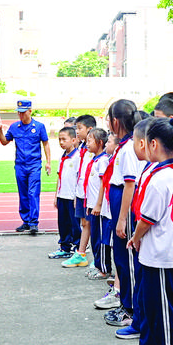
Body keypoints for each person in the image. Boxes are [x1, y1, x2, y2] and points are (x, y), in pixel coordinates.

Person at [120, 118, 173, 345]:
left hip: (161, 255)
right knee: (150, 305)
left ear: (154, 144)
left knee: (164, 311)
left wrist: (135, 237)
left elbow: (147, 219)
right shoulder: (156, 172)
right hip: (152, 254)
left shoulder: (163, 178)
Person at [99, 99, 145, 328]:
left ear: (115, 122)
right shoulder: (124, 146)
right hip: (118, 200)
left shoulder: (128, 149)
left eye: (109, 119)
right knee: (120, 259)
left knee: (127, 260)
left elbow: (130, 184)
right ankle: (127, 304)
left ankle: (132, 310)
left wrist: (123, 218)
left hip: (125, 204)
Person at [115, 117, 154, 340]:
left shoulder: (158, 173)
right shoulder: (149, 169)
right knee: (141, 279)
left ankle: (141, 324)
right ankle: (141, 324)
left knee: (142, 279)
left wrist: (134, 232)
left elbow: (149, 214)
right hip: (143, 231)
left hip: (152, 240)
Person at [0, 100, 51, 234]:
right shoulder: (14, 127)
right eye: (19, 113)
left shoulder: (39, 126)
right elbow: (4, 142)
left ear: (30, 111)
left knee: (33, 192)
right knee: (23, 193)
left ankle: (33, 222)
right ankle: (26, 221)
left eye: (23, 112)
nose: (20, 115)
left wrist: (48, 162)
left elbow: (46, 144)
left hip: (34, 165)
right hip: (20, 165)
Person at [62, 115, 97, 267]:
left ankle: (97, 257)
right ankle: (81, 253)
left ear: (90, 129)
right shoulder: (82, 147)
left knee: (92, 224)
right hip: (82, 191)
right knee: (85, 223)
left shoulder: (94, 148)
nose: (76, 131)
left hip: (91, 192)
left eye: (79, 128)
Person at [93, 132, 122, 310]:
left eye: (109, 141)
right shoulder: (116, 156)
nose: (106, 145)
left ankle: (120, 293)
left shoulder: (125, 153)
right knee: (117, 252)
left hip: (118, 214)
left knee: (121, 253)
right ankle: (118, 289)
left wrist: (123, 218)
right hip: (112, 211)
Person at [81, 128, 110, 276]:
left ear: (99, 143)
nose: (86, 144)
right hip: (92, 205)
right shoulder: (95, 160)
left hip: (99, 207)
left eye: (89, 141)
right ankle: (98, 265)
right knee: (95, 238)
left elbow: (103, 184)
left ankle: (103, 269)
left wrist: (98, 204)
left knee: (100, 239)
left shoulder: (103, 161)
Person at [49, 126, 81, 259]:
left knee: (74, 223)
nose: (61, 142)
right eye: (59, 139)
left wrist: (77, 197)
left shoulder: (78, 157)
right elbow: (59, 176)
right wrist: (56, 195)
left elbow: (79, 178)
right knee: (63, 222)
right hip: (62, 195)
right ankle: (64, 246)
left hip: (72, 196)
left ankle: (78, 247)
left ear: (73, 140)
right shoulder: (63, 156)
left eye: (64, 139)